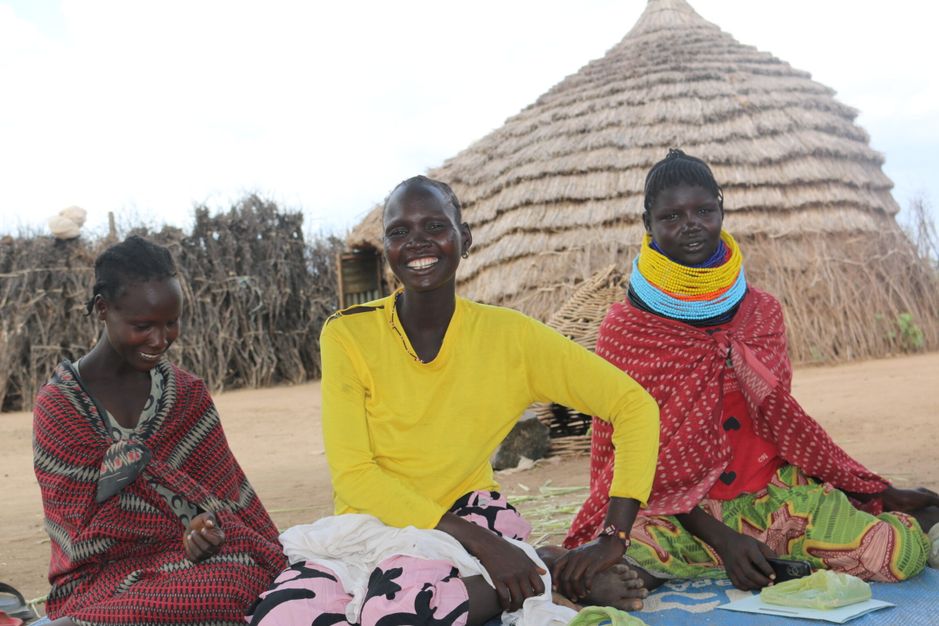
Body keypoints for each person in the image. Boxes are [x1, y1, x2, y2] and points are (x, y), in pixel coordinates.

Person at [247, 176, 661, 626]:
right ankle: (546, 572)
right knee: (278, 616)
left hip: (470, 512)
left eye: (434, 227)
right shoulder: (348, 334)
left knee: (399, 616)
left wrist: (614, 537)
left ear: (463, 239)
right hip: (370, 528)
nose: (417, 243)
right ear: (386, 248)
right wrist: (484, 547)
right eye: (399, 232)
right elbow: (355, 475)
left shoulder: (511, 337)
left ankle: (535, 575)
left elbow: (634, 406)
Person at [565, 149, 939, 591]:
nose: (690, 224)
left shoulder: (761, 312)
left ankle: (783, 546)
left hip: (772, 493)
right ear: (648, 225)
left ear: (721, 209)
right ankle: (744, 556)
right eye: (671, 216)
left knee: (894, 555)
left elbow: (782, 425)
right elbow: (634, 454)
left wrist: (865, 492)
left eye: (704, 210)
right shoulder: (628, 328)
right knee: (612, 563)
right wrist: (724, 540)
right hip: (674, 511)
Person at [32, 236, 286, 626]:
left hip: (186, 566)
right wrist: (167, 521)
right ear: (103, 309)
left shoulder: (187, 396)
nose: (160, 339)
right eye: (142, 326)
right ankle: (83, 619)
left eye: (172, 323)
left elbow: (224, 504)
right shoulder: (60, 407)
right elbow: (78, 528)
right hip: (97, 578)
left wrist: (202, 529)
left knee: (241, 574)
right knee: (211, 595)